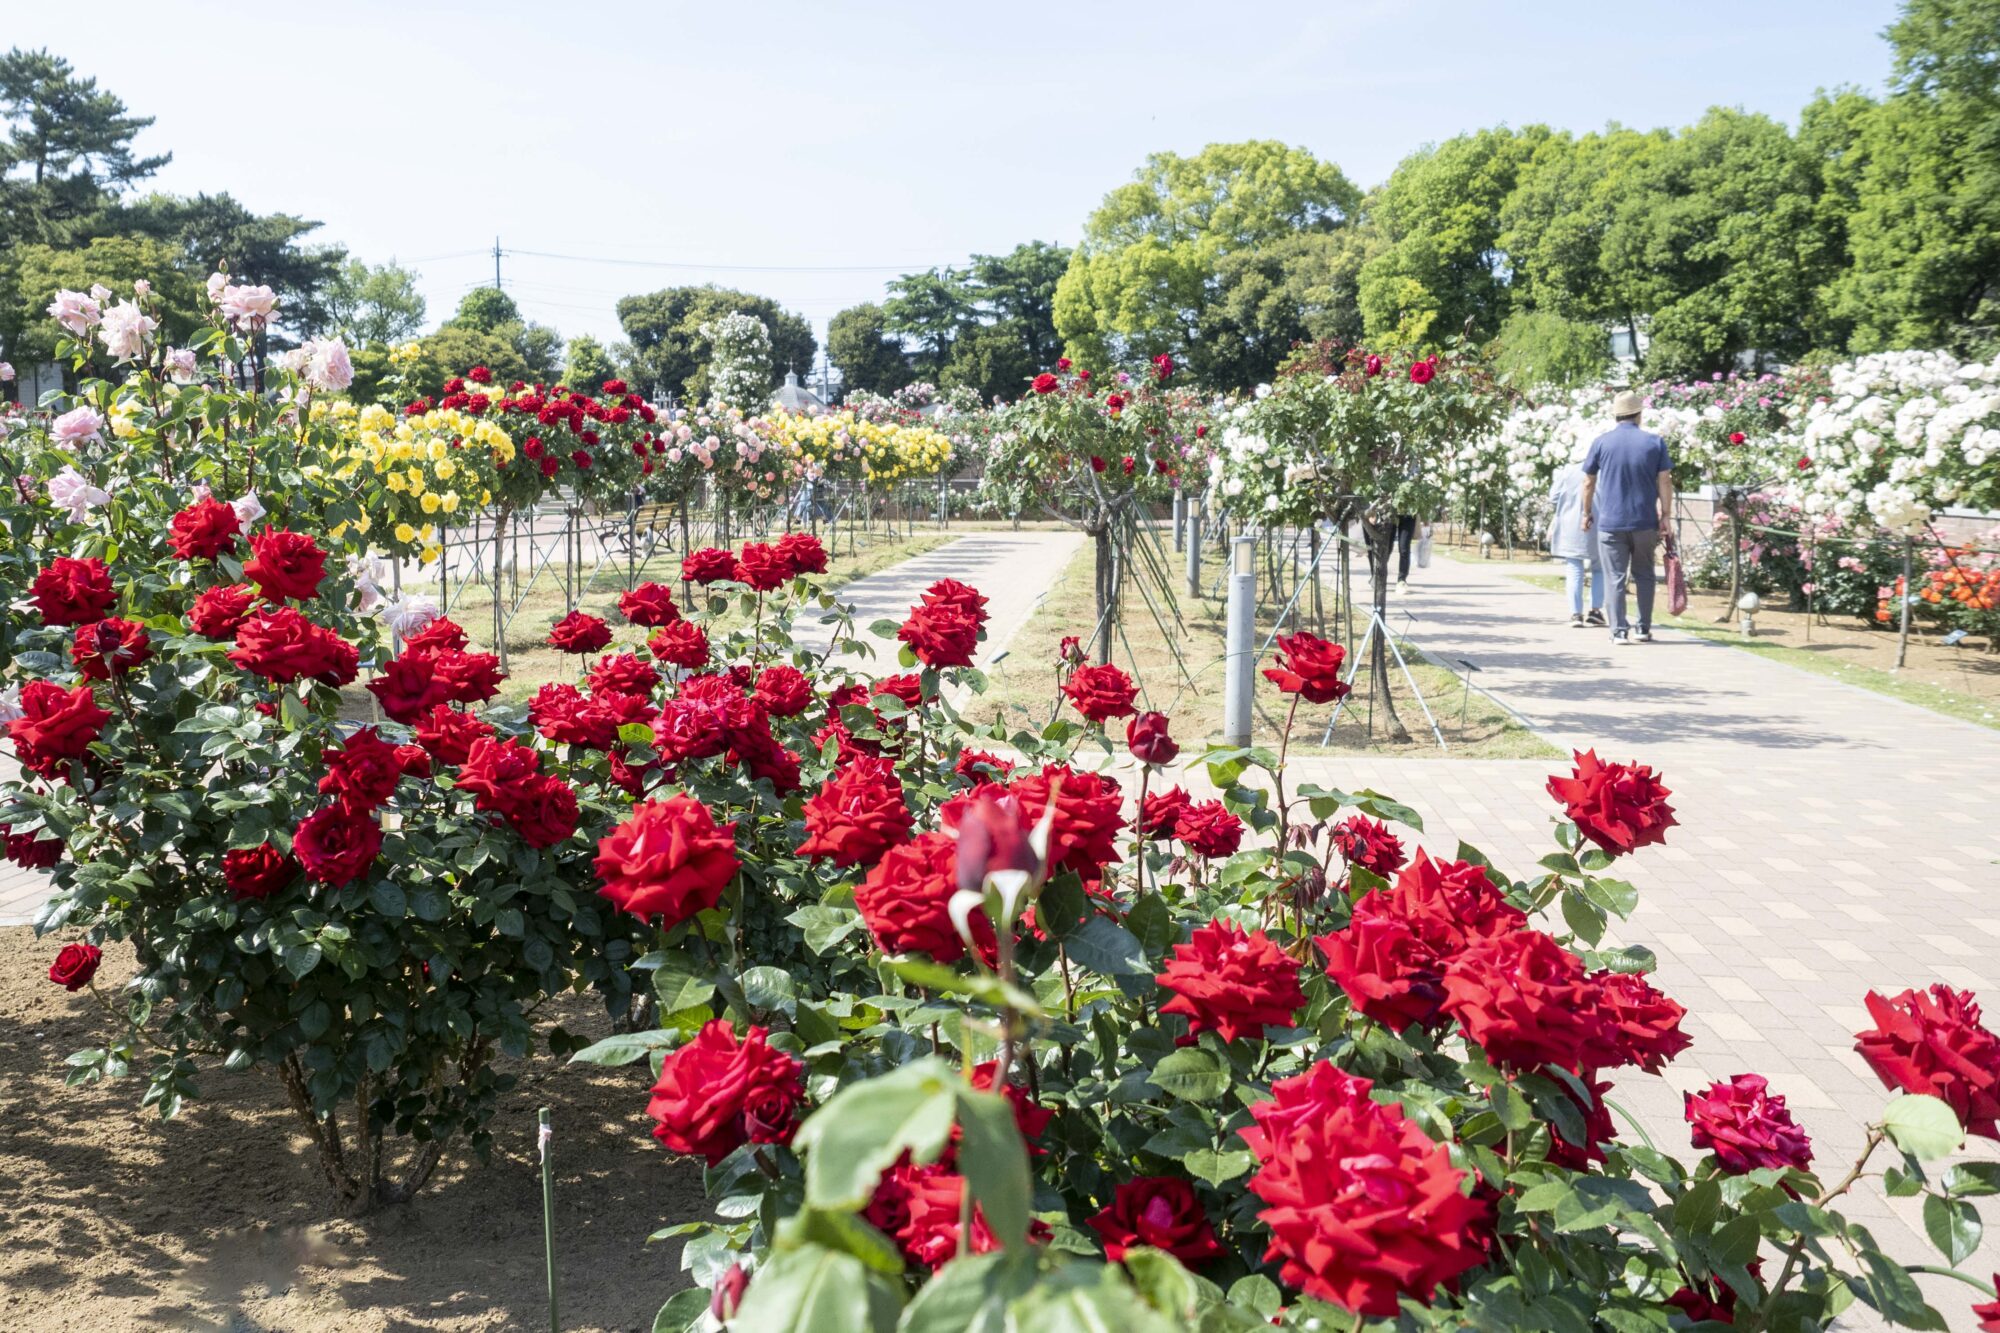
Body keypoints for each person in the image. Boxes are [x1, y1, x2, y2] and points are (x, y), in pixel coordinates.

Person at [1581, 390, 1675, 644]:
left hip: (1611, 522)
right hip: (1645, 522)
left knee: (1615, 577)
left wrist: (1586, 512)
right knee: (1645, 574)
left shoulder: (1601, 442)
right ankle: (1643, 629)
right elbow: (1665, 480)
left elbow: (1588, 482)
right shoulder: (1654, 442)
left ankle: (1618, 631)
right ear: (1639, 415)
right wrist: (1666, 515)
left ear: (1616, 415)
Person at [1547, 456, 1604, 627]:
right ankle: (1595, 611)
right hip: (1600, 523)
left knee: (1574, 568)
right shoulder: (1605, 471)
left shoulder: (1568, 471)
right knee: (1600, 569)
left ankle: (1575, 613)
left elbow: (1554, 497)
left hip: (1571, 523)